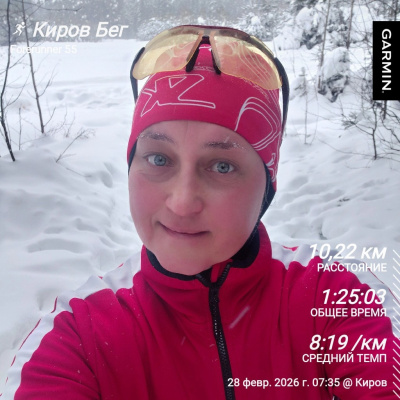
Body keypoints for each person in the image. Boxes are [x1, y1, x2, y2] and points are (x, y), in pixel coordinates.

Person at [2, 25, 398, 400]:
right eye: (159, 159)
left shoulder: (337, 297)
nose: (181, 202)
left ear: (267, 185)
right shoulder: (77, 335)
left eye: (222, 166)